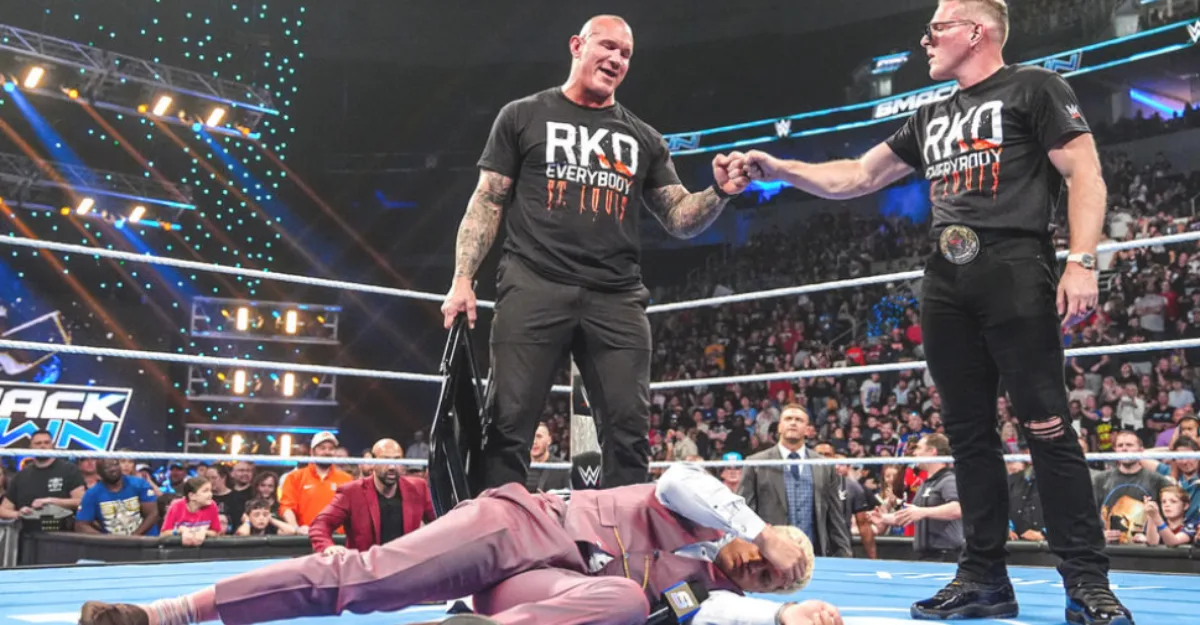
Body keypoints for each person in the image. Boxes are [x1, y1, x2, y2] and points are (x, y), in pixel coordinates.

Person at [741, 2, 1131, 622]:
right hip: (946, 281)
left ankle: (1086, 580)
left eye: (936, 28)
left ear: (976, 32)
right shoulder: (930, 115)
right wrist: (779, 169)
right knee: (969, 436)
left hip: (1015, 268)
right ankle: (983, 578)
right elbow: (855, 176)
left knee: (1047, 427)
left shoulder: (1034, 87)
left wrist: (1082, 259)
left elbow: (1084, 170)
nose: (924, 40)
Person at [440, 14, 750, 491]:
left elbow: (679, 217)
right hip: (533, 284)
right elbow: (488, 200)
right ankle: (501, 533)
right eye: (607, 46)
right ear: (577, 46)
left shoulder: (643, 138)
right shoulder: (522, 116)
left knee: (629, 435)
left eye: (626, 54)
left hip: (616, 296)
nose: (616, 59)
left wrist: (720, 192)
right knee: (507, 427)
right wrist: (463, 278)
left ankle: (620, 536)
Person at [80, 463, 843, 625]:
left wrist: (785, 616)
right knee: (364, 576)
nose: (764, 572)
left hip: (536, 592)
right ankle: (166, 614)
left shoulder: (711, 596)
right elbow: (677, 478)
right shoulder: (711, 510)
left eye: (775, 580)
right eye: (775, 565)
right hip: (525, 523)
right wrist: (759, 528)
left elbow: (719, 615)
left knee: (625, 604)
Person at [738, 405, 853, 557]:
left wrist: (844, 553)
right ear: (779, 427)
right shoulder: (756, 463)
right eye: (788, 419)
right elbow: (745, 513)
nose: (793, 423)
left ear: (808, 430)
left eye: (798, 420)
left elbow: (835, 516)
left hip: (814, 555)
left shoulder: (823, 465)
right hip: (770, 556)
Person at [309, 438, 436, 554]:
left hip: (405, 566)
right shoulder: (352, 492)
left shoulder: (418, 488)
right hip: (366, 567)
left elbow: (440, 522)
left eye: (397, 460)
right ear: (372, 462)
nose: (392, 467)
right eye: (385, 460)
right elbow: (320, 525)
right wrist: (328, 547)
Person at [870, 434, 963, 562]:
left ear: (932, 451)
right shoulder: (926, 483)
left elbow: (958, 509)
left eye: (919, 448)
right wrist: (883, 518)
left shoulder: (948, 480)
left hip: (945, 556)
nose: (914, 453)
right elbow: (911, 514)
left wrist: (922, 512)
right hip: (926, 556)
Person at [278, 431, 354, 533]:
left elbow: (354, 511)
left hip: (337, 538)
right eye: (322, 448)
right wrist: (296, 529)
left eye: (331, 448)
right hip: (306, 537)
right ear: (312, 452)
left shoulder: (347, 479)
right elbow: (286, 507)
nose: (327, 452)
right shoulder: (295, 477)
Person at [161, 476, 223, 547]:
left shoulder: (212, 505)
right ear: (192, 496)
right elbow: (163, 533)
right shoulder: (176, 506)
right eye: (205, 491)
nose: (210, 494)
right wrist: (181, 531)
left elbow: (217, 532)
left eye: (210, 491)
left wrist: (204, 532)